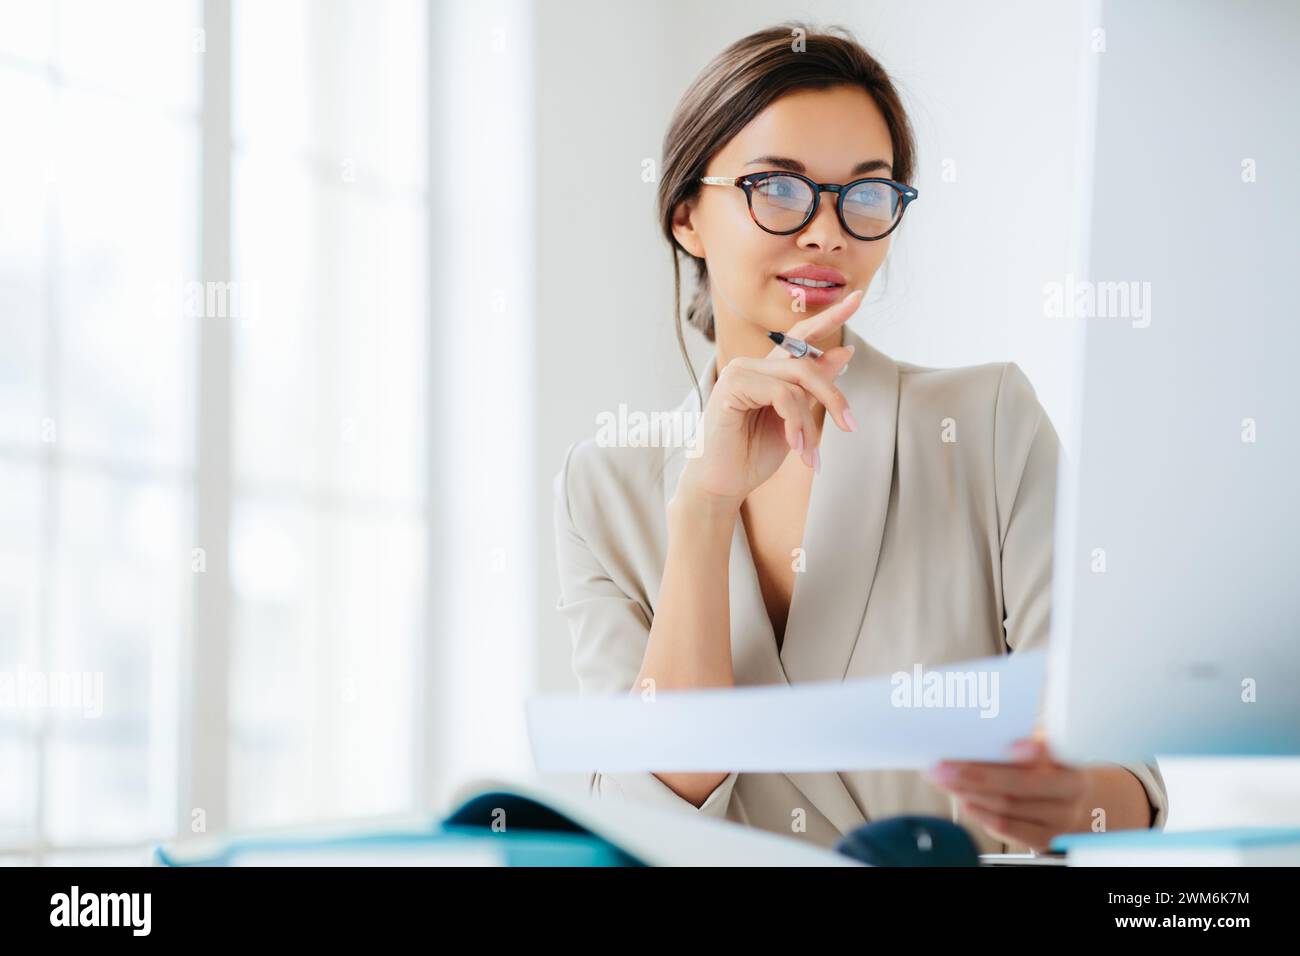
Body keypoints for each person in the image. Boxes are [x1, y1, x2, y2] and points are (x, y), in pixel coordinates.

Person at [552, 23, 1166, 852]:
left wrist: (1063, 799)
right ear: (686, 215)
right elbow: (647, 812)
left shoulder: (986, 422)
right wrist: (702, 510)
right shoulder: (605, 486)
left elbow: (1124, 774)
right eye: (778, 187)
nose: (827, 231)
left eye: (866, 193)